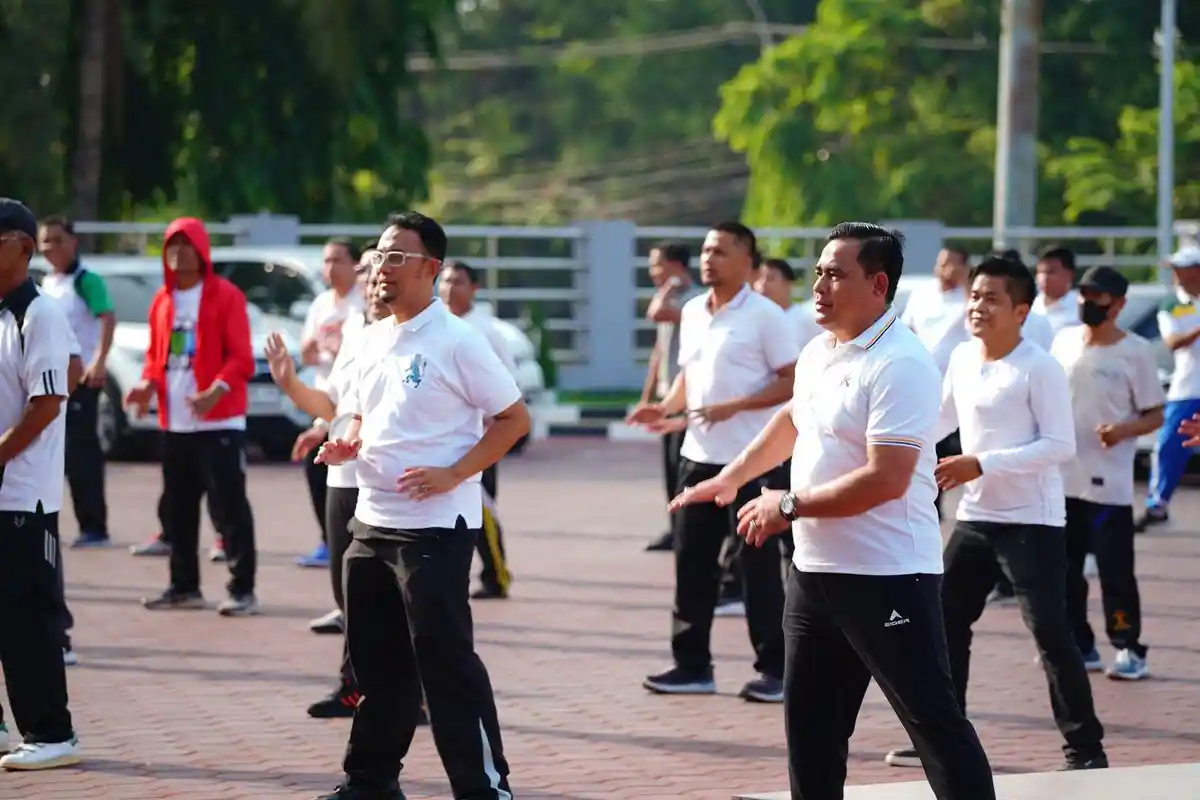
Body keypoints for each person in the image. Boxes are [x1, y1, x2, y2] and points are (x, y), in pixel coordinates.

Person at [672, 222, 995, 799]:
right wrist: (732, 477)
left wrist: (787, 505)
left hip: (889, 578)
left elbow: (887, 479)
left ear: (877, 283)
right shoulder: (821, 349)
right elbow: (792, 423)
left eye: (835, 274)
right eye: (818, 272)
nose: (818, 285)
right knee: (813, 738)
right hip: (815, 576)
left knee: (934, 726)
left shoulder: (901, 362)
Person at [312, 211, 527, 800]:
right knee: (378, 668)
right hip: (370, 523)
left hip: (434, 531)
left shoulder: (458, 341)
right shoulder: (371, 336)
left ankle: (486, 788)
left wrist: (456, 472)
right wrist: (348, 440)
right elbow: (360, 410)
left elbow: (513, 420)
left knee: (447, 668)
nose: (382, 268)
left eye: (397, 257)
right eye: (378, 256)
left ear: (431, 268)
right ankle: (372, 782)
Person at [884, 255, 1107, 772]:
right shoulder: (962, 357)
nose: (978, 307)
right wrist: (888, 452)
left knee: (1051, 632)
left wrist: (980, 463)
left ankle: (1086, 750)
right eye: (974, 296)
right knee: (943, 622)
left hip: (1033, 521)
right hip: (977, 517)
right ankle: (942, 738)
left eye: (992, 299)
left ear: (1021, 310)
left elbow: (1059, 445)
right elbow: (935, 420)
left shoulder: (1039, 366)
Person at [627, 221, 796, 703]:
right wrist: (665, 408)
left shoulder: (766, 316)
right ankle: (691, 665)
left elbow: (791, 381)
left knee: (756, 570)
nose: (709, 259)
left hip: (749, 463)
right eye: (706, 250)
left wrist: (737, 406)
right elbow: (689, 374)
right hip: (696, 458)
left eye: (721, 251)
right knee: (692, 565)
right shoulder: (694, 311)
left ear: (748, 261)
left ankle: (776, 670)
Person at [123, 217, 260, 616]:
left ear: (202, 251)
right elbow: (156, 358)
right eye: (171, 244)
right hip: (175, 424)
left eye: (185, 244)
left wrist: (216, 390)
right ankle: (184, 587)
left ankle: (243, 589)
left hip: (219, 424)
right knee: (179, 511)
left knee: (229, 509)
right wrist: (146, 384)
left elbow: (241, 359)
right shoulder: (162, 301)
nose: (177, 252)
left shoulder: (225, 296)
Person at [0, 197, 82, 770]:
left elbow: (48, 402)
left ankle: (51, 733)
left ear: (23, 248)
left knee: (28, 616)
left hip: (22, 494)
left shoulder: (41, 314)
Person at [1053, 266, 1163, 680]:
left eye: (1096, 296)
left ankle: (1129, 646)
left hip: (1109, 486)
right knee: (1065, 571)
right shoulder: (1064, 341)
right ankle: (1080, 645)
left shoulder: (1136, 351)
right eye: (1083, 294)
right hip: (1064, 480)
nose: (1086, 302)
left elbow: (1155, 414)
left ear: (1117, 305)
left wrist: (1122, 431)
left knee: (1115, 574)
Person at [438, 260, 518, 599]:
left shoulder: (486, 331)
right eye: (444, 281)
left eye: (457, 281)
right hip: (443, 437)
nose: (449, 288)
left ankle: (496, 574)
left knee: (481, 507)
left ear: (474, 288)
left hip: (480, 438)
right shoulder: (434, 325)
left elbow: (507, 388)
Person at [36, 215, 116, 549]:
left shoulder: (86, 280)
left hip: (80, 380)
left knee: (82, 453)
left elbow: (107, 317)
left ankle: (94, 525)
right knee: (53, 455)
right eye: (46, 240)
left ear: (74, 242)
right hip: (51, 381)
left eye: (58, 239)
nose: (52, 246)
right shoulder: (46, 283)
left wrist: (98, 360)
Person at [296, 238, 366, 569]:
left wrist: (336, 350)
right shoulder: (321, 303)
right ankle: (329, 540)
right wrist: (309, 352)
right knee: (316, 467)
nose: (330, 268)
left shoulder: (362, 305)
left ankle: (354, 541)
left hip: (353, 408)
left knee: (353, 477)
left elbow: (356, 357)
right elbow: (308, 352)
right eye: (326, 261)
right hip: (324, 402)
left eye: (337, 260)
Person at [635, 241, 700, 553]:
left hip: (686, 399)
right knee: (670, 468)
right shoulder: (674, 297)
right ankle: (674, 528)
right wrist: (647, 395)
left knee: (684, 466)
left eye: (657, 265)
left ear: (676, 266)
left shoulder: (694, 301)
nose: (652, 273)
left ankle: (687, 530)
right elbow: (659, 352)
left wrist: (671, 287)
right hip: (667, 398)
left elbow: (655, 312)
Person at [1139, 245, 1200, 531]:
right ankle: (1157, 504)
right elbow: (1173, 342)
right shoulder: (1171, 304)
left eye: (1180, 268)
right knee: (1168, 446)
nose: (1175, 274)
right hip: (1188, 386)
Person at [753, 256, 822, 350]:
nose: (763, 284)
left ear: (788, 283)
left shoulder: (807, 320)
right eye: (759, 278)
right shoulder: (752, 320)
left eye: (770, 278)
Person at [1032, 245, 1082, 337]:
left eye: (1051, 272)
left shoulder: (1081, 309)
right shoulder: (1030, 307)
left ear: (1069, 274)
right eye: (1041, 272)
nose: (1044, 278)